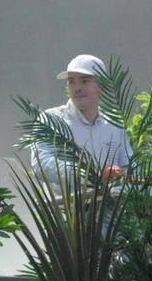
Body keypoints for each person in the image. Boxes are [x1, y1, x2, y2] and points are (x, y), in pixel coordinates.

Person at [33, 54, 132, 184]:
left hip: (111, 203)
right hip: (66, 204)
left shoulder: (115, 124)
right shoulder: (50, 119)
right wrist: (91, 176)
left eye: (85, 81)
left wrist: (125, 175)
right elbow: (41, 164)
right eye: (71, 81)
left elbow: (129, 164)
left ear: (103, 85)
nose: (77, 88)